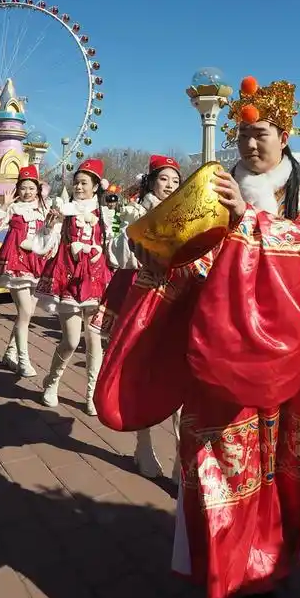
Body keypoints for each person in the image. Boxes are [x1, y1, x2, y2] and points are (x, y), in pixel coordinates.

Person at [94, 75, 300, 598]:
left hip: (280, 366)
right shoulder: (215, 194)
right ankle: (243, 591)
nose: (252, 145)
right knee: (223, 474)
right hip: (217, 362)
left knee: (279, 477)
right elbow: (193, 264)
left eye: (263, 135)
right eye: (245, 135)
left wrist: (247, 223)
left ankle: (268, 568)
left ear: (285, 137)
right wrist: (160, 267)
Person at [95, 154, 183, 477]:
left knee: (179, 372)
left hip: (176, 300)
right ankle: (143, 447)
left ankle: (180, 453)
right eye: (164, 180)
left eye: (175, 182)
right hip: (140, 296)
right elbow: (116, 254)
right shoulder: (135, 212)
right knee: (139, 370)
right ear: (151, 180)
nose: (170, 186)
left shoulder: (185, 214)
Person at [34, 158, 114, 414]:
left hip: (95, 280)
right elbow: (45, 244)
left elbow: (113, 248)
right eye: (76, 183)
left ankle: (91, 394)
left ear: (95, 187)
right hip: (67, 278)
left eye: (84, 183)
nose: (79, 187)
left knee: (94, 341)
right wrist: (48, 226)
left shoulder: (105, 215)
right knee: (69, 340)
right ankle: (52, 381)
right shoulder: (63, 211)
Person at [0, 166, 53, 379]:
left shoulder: (45, 209)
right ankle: (24, 360)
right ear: (17, 189)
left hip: (38, 263)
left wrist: (51, 228)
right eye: (23, 188)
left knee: (27, 313)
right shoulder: (13, 209)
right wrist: (4, 206)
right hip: (15, 264)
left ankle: (10, 352)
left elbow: (49, 236)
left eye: (31, 188)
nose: (27, 192)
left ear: (38, 189)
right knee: (25, 311)